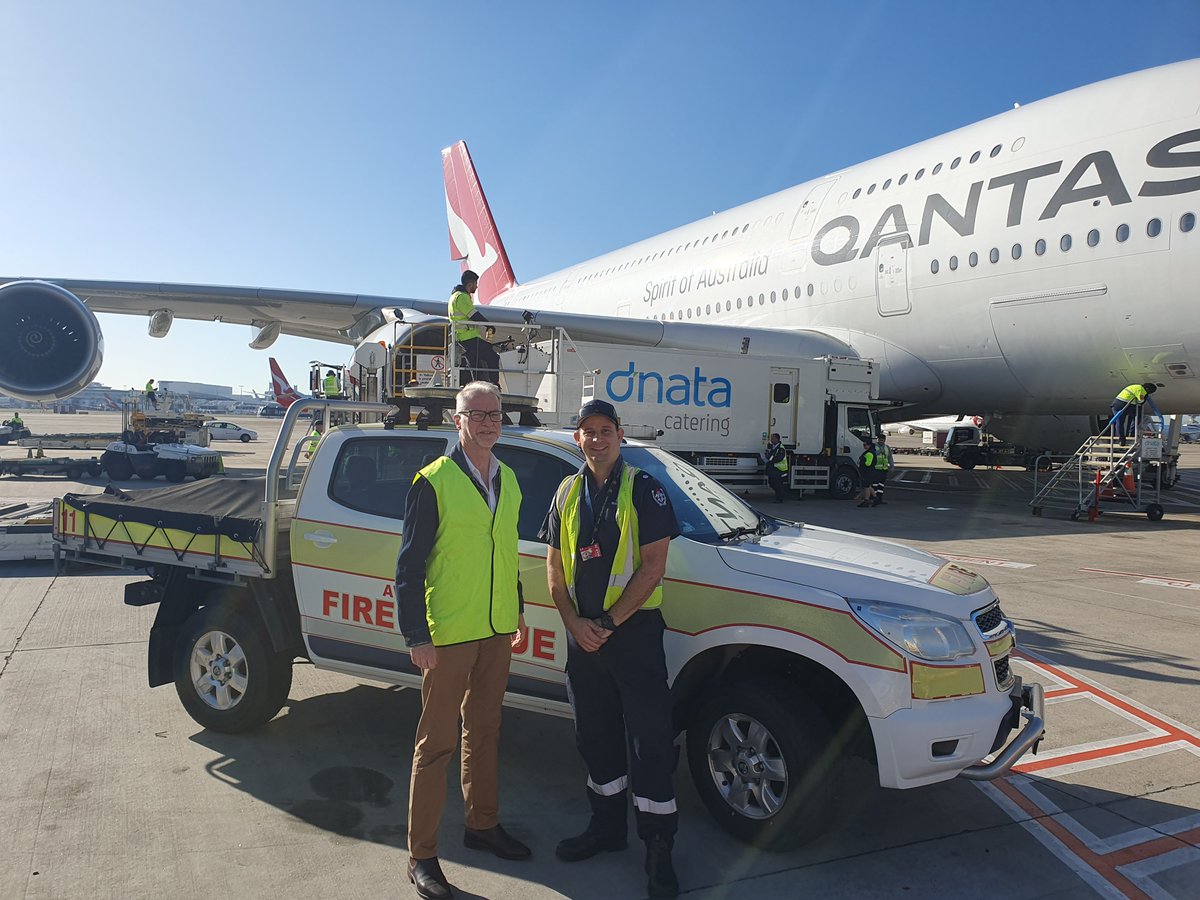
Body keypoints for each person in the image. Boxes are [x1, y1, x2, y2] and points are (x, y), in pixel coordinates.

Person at [542, 398, 682, 899]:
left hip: (634, 634)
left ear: (620, 435)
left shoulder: (644, 489)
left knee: (649, 742)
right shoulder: (566, 491)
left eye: (605, 430)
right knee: (594, 734)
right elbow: (555, 567)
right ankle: (606, 829)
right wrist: (575, 623)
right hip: (585, 637)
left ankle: (659, 847)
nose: (596, 439)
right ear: (576, 438)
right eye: (587, 431)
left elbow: (653, 566)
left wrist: (605, 622)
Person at [395, 381, 530, 899]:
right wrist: (416, 634)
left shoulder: (509, 480)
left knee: (486, 731)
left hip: (495, 631)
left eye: (495, 413)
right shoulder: (434, 480)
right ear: (458, 421)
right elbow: (409, 565)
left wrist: (516, 613)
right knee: (436, 745)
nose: (489, 422)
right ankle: (421, 855)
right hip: (448, 634)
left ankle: (482, 824)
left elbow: (507, 553)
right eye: (478, 414)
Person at [449, 270, 501, 387]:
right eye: (476, 284)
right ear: (470, 284)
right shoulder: (462, 297)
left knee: (475, 364)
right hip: (469, 337)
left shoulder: (454, 296)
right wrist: (489, 325)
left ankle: (476, 386)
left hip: (461, 338)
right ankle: (495, 385)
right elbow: (473, 314)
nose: (477, 287)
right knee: (493, 357)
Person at [764, 432, 789, 503]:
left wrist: (769, 459)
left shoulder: (780, 448)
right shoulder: (774, 448)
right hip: (774, 469)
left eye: (773, 438)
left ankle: (779, 499)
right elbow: (772, 457)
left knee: (777, 484)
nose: (771, 440)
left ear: (777, 439)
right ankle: (779, 496)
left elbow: (778, 458)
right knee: (772, 483)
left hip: (779, 469)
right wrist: (768, 456)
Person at [870, 433, 894, 506]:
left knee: (881, 485)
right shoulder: (874, 447)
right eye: (880, 440)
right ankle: (874, 498)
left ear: (885, 440)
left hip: (884, 469)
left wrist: (892, 466)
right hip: (876, 469)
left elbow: (890, 457)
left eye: (882, 440)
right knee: (875, 484)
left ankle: (879, 499)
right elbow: (872, 455)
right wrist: (879, 452)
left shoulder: (887, 448)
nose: (881, 441)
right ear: (878, 440)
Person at [856, 437, 877, 508]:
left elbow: (868, 463)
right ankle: (875, 498)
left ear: (869, 445)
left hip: (867, 472)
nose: (864, 446)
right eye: (863, 445)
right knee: (869, 486)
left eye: (865, 445)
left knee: (866, 486)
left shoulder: (869, 453)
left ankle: (866, 500)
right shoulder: (870, 452)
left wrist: (862, 462)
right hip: (870, 472)